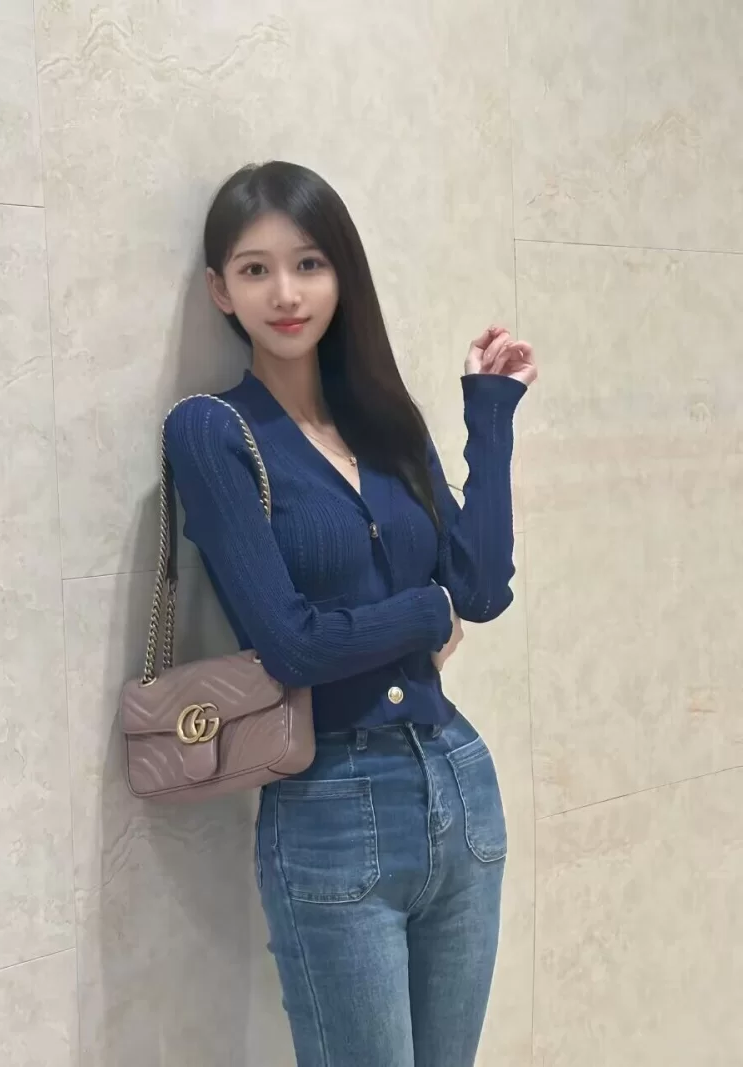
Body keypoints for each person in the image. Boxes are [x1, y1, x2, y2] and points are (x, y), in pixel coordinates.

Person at [165, 160, 537, 1067]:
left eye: (309, 264)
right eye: (254, 270)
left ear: (342, 274)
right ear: (220, 289)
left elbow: (481, 588)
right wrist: (423, 616)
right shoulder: (212, 431)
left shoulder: (384, 421)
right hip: (330, 801)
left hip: (459, 782)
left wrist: (490, 415)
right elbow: (291, 643)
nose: (286, 294)